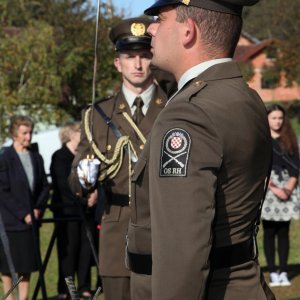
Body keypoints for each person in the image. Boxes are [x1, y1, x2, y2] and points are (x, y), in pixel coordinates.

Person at [126, 1, 276, 299]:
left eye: (161, 18)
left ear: (188, 31)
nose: (152, 28)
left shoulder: (188, 114)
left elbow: (182, 253)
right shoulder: (243, 97)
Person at [68, 17, 169, 300]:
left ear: (154, 59)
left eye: (145, 55)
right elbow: (76, 178)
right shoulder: (98, 116)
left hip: (163, 225)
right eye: (129, 56)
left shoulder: (175, 108)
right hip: (116, 225)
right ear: (117, 62)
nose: (137, 64)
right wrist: (82, 177)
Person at [0, 115, 49, 300]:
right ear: (14, 134)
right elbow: (3, 191)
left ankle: (24, 298)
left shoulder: (36, 157)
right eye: (24, 133)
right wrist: (23, 214)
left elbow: (44, 186)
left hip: (31, 222)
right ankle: (9, 298)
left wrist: (37, 210)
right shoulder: (5, 158)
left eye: (30, 132)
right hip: (10, 223)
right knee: (8, 266)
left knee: (26, 265)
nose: (28, 137)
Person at [50, 122, 98, 299]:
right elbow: (63, 185)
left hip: (86, 211)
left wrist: (94, 193)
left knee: (86, 249)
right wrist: (84, 198)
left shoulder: (86, 156)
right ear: (72, 135)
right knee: (69, 250)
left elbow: (93, 178)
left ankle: (84, 286)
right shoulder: (60, 156)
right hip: (67, 212)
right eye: (81, 133)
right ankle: (66, 288)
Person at [261, 104, 300, 287]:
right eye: (273, 118)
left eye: (280, 118)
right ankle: (272, 272)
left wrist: (289, 188)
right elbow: (258, 168)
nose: (277, 121)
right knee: (269, 232)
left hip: (288, 187)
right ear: (267, 119)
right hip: (269, 188)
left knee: (284, 232)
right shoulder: (260, 140)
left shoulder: (290, 139)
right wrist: (274, 188)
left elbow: (295, 166)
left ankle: (283, 271)